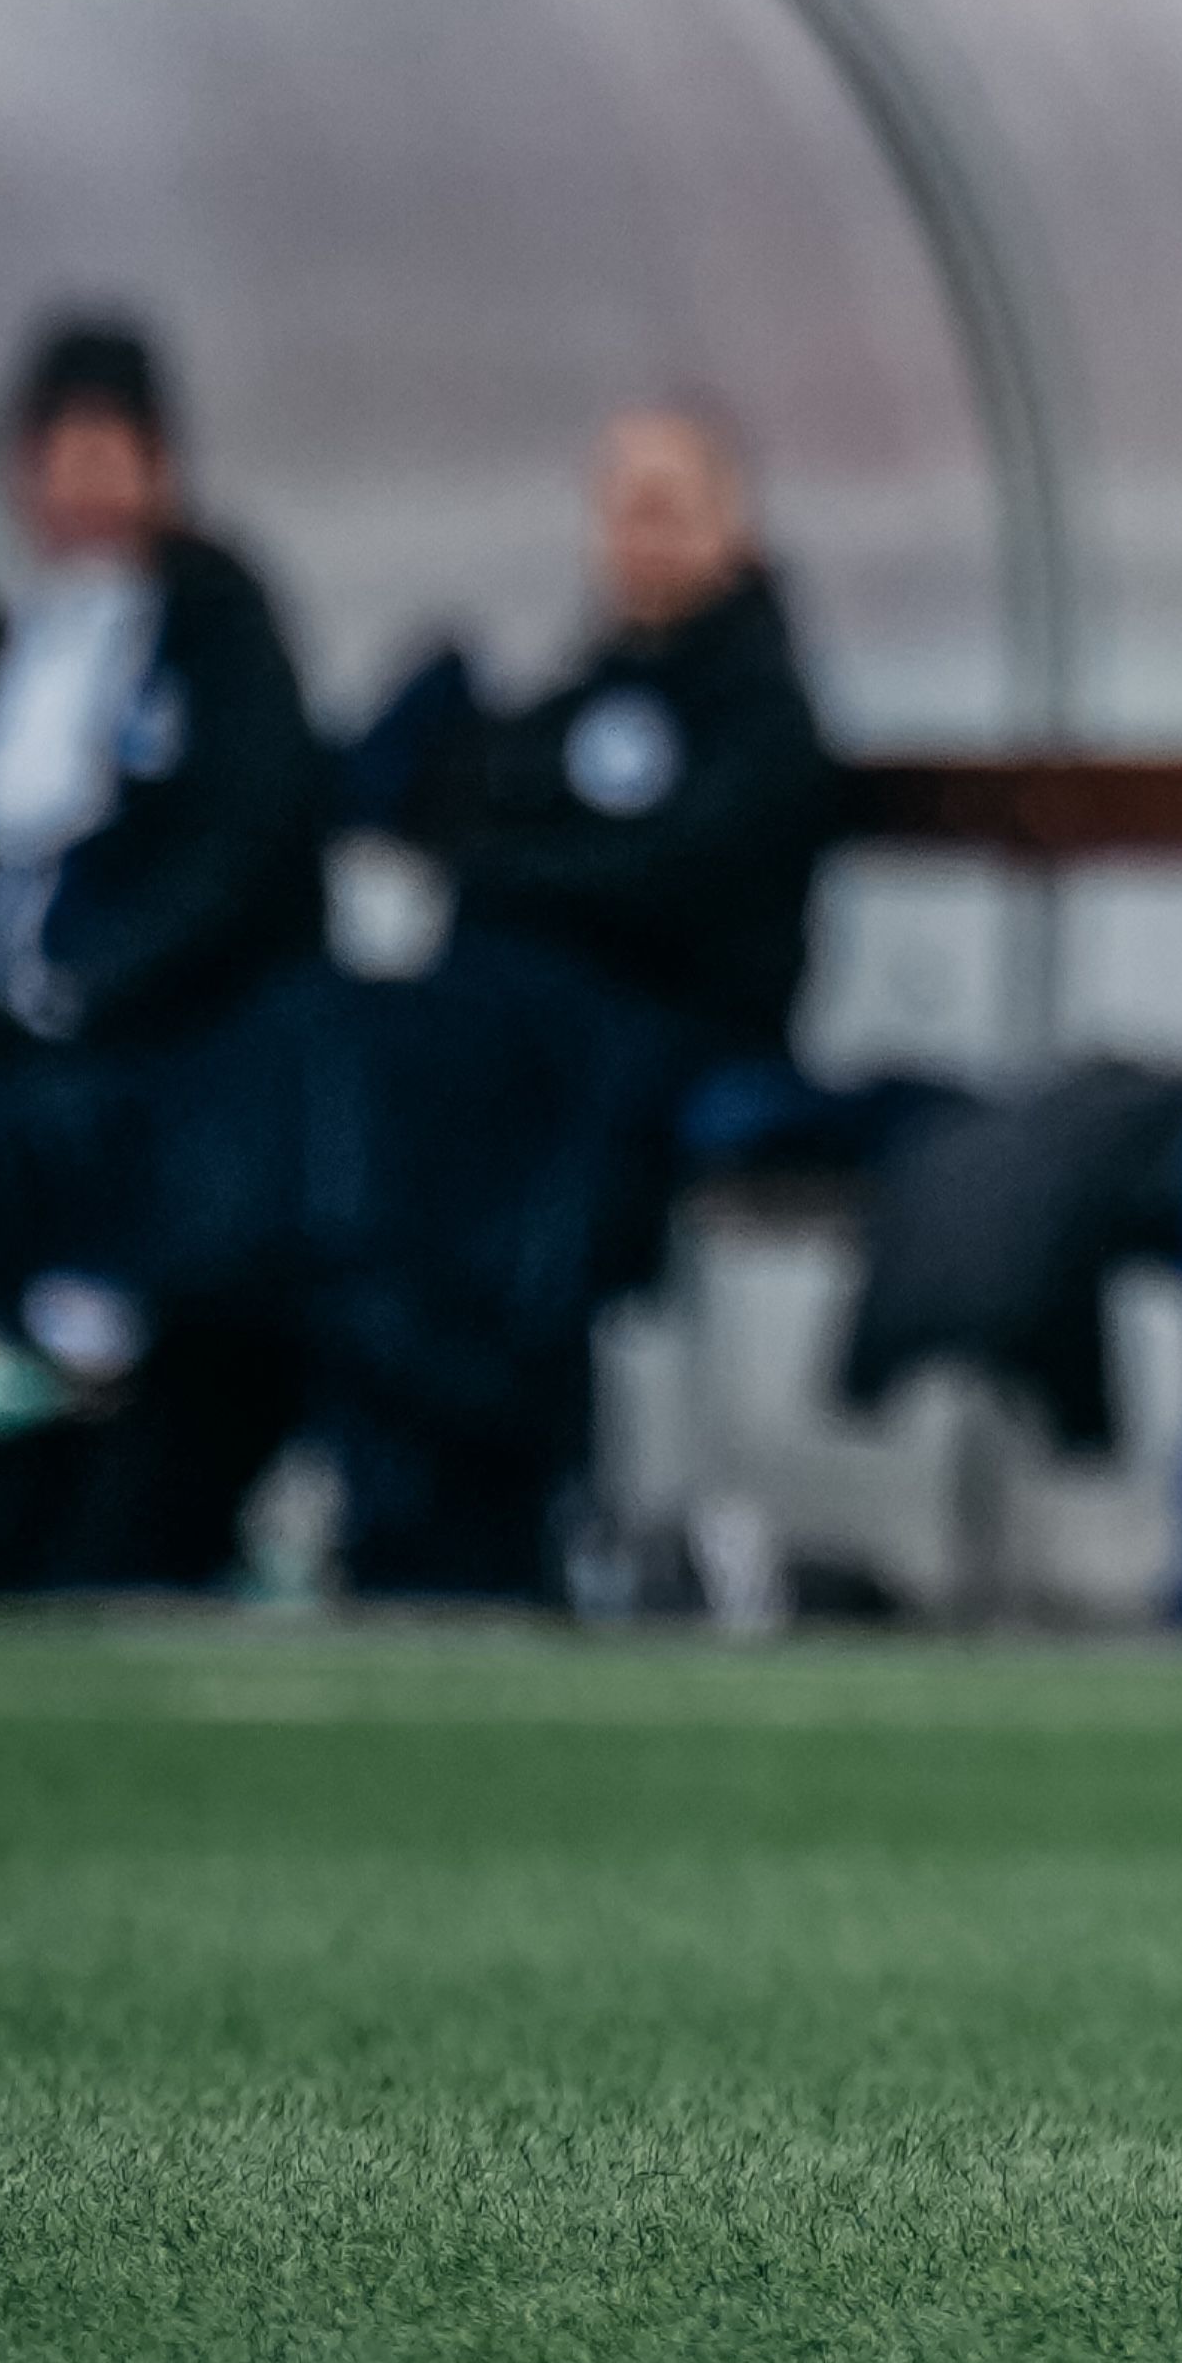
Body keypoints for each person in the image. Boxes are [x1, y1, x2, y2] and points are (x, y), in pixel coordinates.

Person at [0, 312, 334, 1599]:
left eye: (117, 453)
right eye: (63, 455)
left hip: (176, 1040)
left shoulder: (218, 634)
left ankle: (55, 1515)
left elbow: (244, 853)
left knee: (52, 1158)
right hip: (8, 1042)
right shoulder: (2, 647)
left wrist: (90, 989)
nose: (89, 487)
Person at [333, 402, 850, 1595]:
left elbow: (683, 884)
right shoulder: (574, 696)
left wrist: (522, 877)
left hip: (663, 1038)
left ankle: (508, 1461)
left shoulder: (762, 713)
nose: (643, 536)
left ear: (736, 526)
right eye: (625, 509)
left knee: (509, 1077)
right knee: (396, 1048)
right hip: (522, 1023)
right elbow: (454, 815)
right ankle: (409, 1456)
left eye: (672, 508)